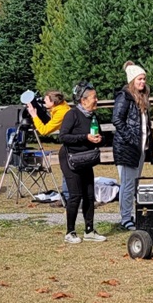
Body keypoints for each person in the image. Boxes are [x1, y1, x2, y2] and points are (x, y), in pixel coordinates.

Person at [59, 83, 106, 243]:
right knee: (75, 195)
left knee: (89, 195)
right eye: (94, 97)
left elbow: (99, 136)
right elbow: (63, 137)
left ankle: (89, 230)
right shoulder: (72, 114)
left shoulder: (93, 116)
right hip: (70, 159)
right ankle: (70, 232)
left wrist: (99, 139)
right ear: (83, 100)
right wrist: (85, 137)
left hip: (86, 158)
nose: (97, 100)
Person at [112, 61, 150, 230]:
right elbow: (117, 119)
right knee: (127, 183)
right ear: (132, 80)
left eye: (144, 79)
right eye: (139, 79)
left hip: (139, 147)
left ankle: (131, 214)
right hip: (127, 147)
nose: (142, 82)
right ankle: (125, 217)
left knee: (134, 184)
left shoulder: (142, 98)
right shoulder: (124, 97)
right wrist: (130, 138)